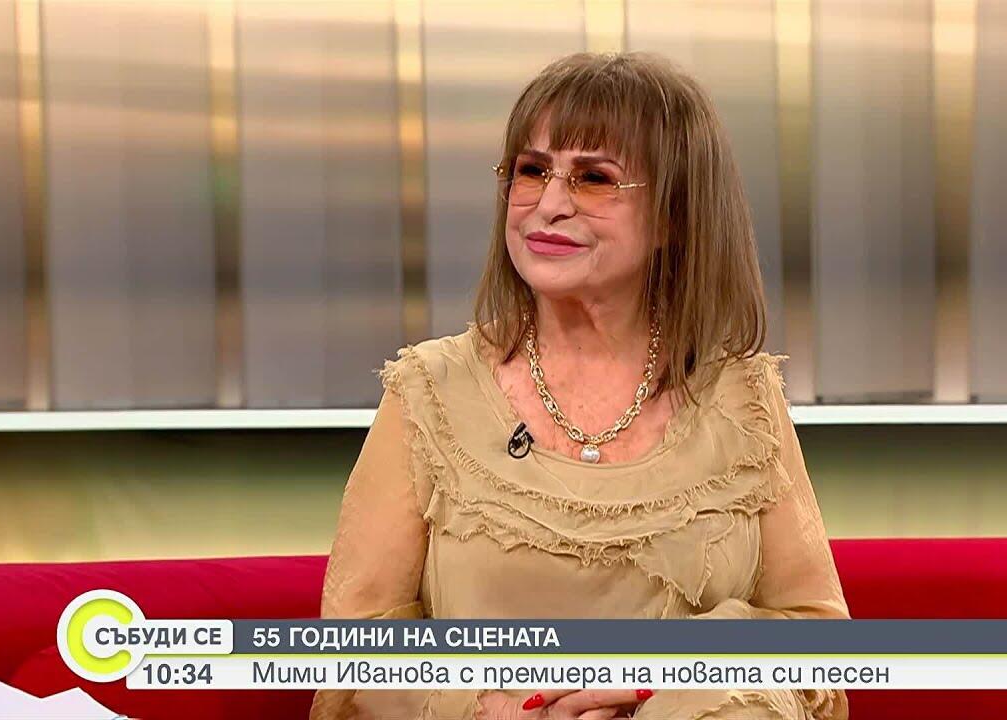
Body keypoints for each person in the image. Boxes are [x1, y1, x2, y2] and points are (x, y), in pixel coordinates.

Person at [310, 51, 848, 720]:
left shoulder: (742, 399)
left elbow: (815, 639)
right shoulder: (430, 391)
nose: (550, 205)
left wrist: (673, 675)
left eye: (595, 179)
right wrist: (492, 710)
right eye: (532, 170)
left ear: (674, 216)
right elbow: (354, 651)